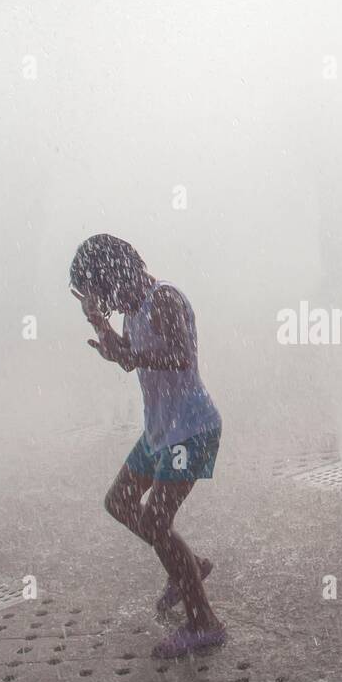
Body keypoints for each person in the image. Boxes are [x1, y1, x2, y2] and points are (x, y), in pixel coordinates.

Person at [70, 234, 226, 658]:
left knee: (157, 524)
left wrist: (133, 354)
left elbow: (180, 355)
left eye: (103, 296)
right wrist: (102, 330)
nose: (108, 306)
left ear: (117, 274)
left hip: (191, 430)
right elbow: (127, 356)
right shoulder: (134, 310)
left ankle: (204, 623)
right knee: (119, 501)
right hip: (161, 429)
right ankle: (188, 567)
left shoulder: (165, 299)